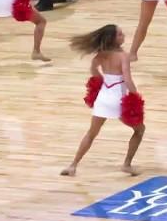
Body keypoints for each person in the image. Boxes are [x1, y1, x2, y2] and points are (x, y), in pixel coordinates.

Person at [61, 24, 144, 177]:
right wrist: (135, 97)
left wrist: (102, 79)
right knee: (140, 130)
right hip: (118, 99)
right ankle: (127, 164)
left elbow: (93, 70)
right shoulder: (123, 56)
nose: (123, 35)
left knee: (91, 133)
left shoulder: (101, 54)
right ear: (113, 39)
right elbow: (127, 78)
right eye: (120, 34)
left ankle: (73, 165)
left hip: (103, 97)